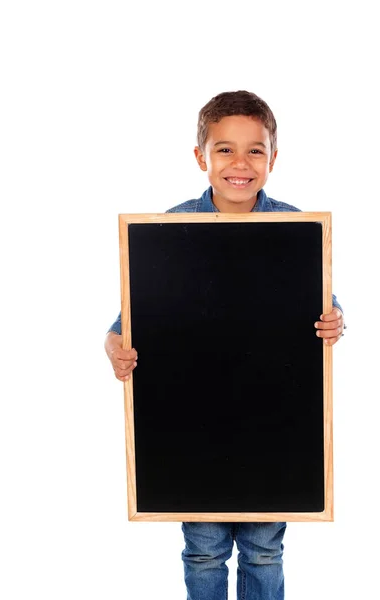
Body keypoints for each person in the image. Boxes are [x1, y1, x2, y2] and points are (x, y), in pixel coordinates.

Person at [105, 90, 344, 600]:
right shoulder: (171, 229)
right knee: (205, 550)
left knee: (264, 551)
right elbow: (130, 319)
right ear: (201, 157)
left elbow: (325, 308)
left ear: (273, 158)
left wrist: (333, 323)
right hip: (196, 435)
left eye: (255, 150)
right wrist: (115, 349)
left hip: (272, 430)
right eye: (225, 150)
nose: (241, 163)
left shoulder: (295, 227)